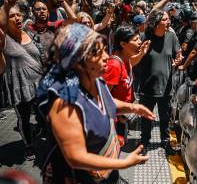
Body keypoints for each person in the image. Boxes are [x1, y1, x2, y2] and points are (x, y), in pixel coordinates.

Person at [36, 23, 155, 183]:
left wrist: (133, 107)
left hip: (106, 173)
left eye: (105, 50)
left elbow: (106, 101)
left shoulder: (96, 78)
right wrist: (123, 163)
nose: (106, 57)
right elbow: (76, 157)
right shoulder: (64, 103)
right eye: (96, 53)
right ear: (77, 61)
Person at [0, 0, 44, 160]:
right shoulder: (4, 38)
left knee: (45, 113)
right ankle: (29, 146)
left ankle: (42, 131)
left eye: (18, 14)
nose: (17, 18)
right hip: (20, 85)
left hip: (39, 82)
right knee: (24, 118)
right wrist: (5, 6)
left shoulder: (28, 31)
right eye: (11, 16)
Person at [135, 9, 181, 156]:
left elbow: (177, 54)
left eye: (168, 19)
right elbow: (135, 59)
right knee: (146, 117)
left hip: (166, 86)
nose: (169, 22)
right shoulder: (144, 37)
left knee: (165, 118)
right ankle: (144, 141)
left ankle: (165, 142)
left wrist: (178, 60)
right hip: (147, 87)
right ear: (156, 23)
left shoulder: (172, 37)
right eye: (165, 19)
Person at [103, 25, 150, 146]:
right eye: (135, 40)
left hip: (122, 116)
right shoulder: (114, 65)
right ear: (123, 44)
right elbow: (104, 98)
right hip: (114, 120)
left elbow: (131, 63)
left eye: (139, 38)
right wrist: (118, 116)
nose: (140, 42)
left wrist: (142, 54)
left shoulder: (126, 58)